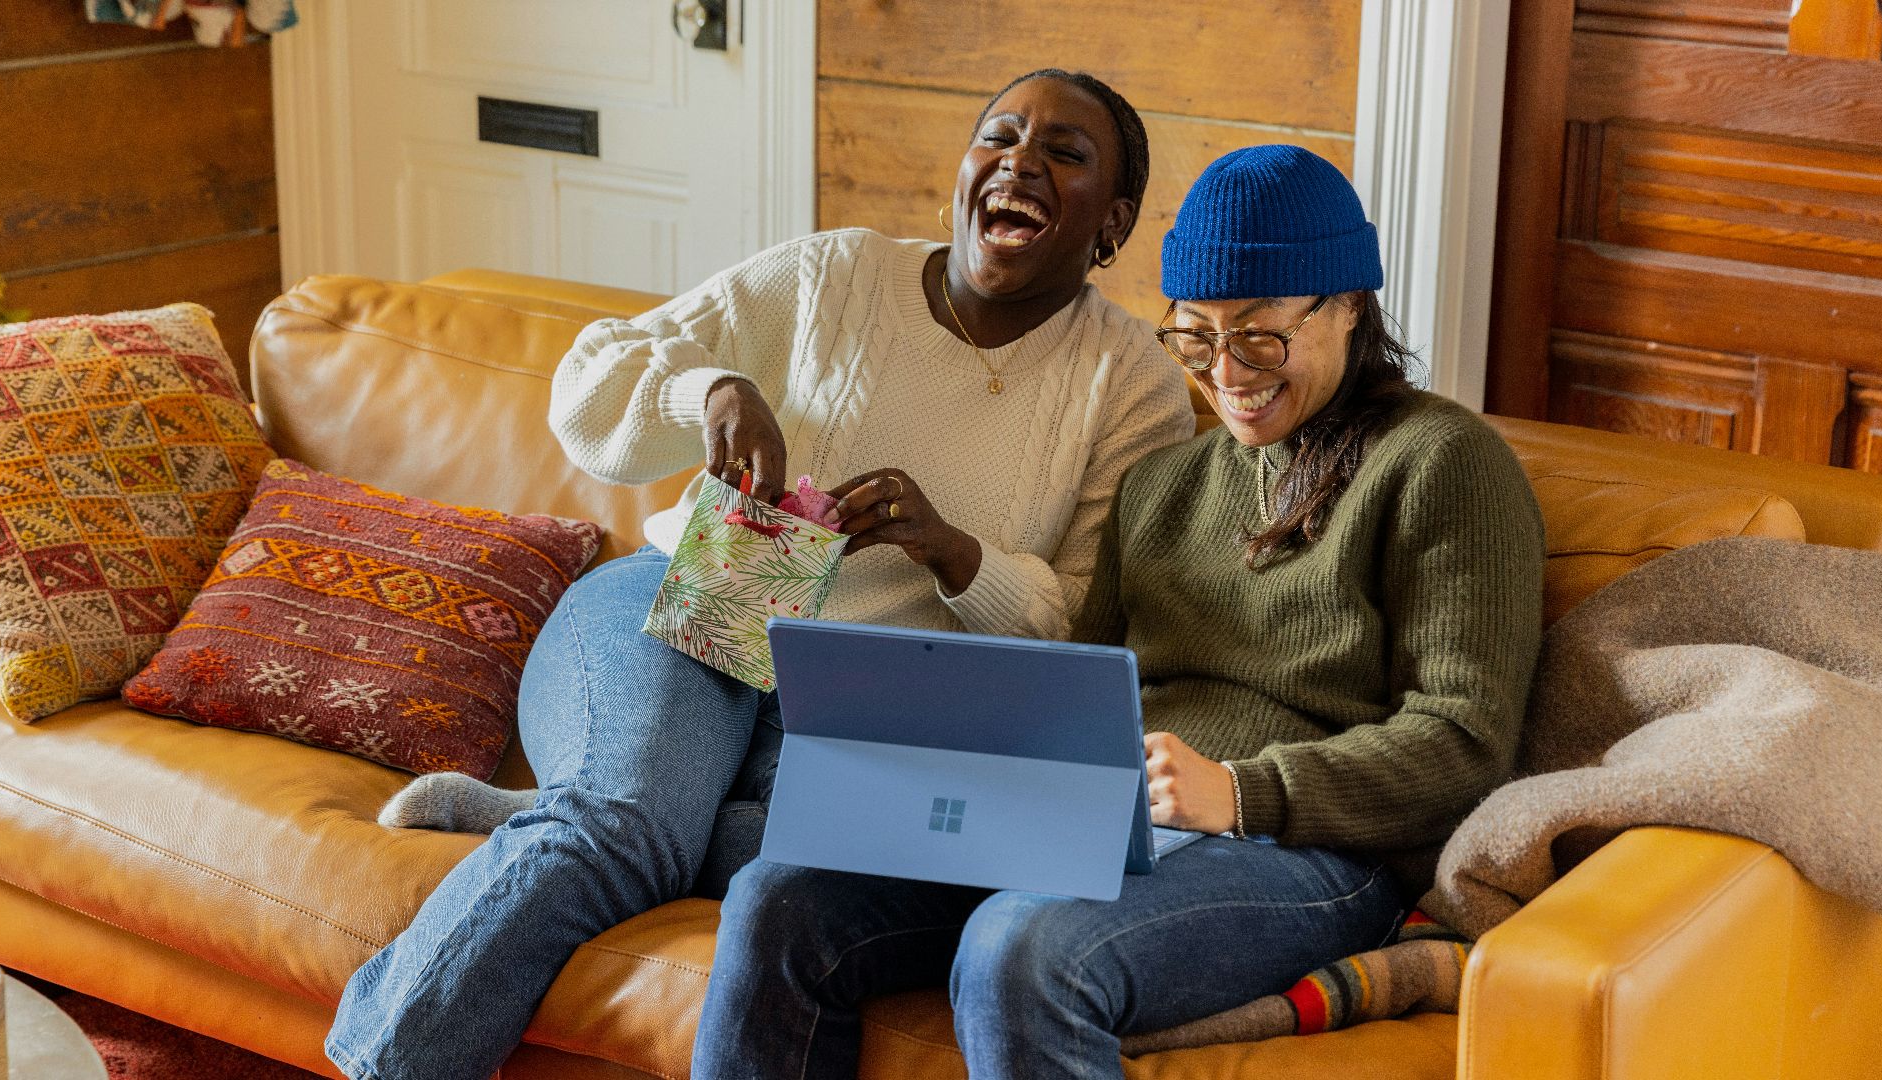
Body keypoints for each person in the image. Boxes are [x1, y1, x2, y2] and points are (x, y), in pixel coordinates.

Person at [322, 69, 1195, 1080]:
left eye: (1064, 153)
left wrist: (954, 552)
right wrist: (713, 390)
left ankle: (566, 811)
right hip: (691, 598)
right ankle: (391, 1055)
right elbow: (588, 383)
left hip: (869, 704)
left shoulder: (1132, 385)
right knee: (623, 829)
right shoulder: (837, 275)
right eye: (999, 137)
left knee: (885, 852)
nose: (1020, 162)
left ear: (1111, 223)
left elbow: (1084, 632)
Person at [692, 144, 1547, 1079]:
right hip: (1107, 824)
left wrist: (1244, 792)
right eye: (1196, 336)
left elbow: (1464, 742)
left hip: (1312, 850)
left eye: (1259, 336)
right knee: (778, 896)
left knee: (1023, 949)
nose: (1227, 372)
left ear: (1347, 305)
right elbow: (1077, 695)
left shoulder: (1442, 462)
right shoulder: (1160, 486)